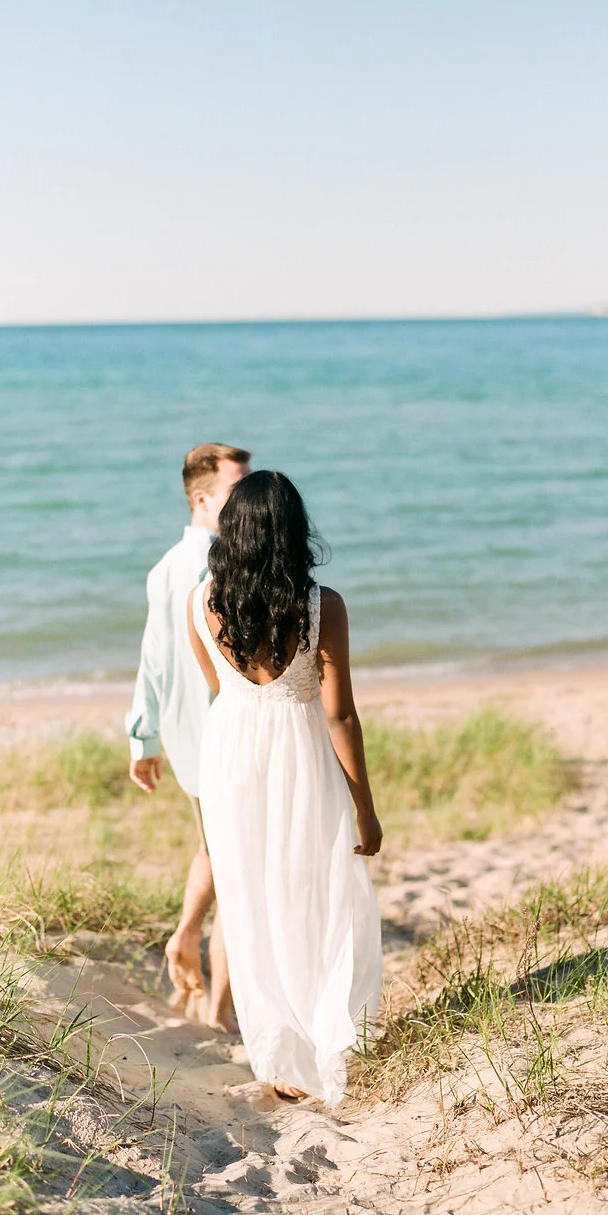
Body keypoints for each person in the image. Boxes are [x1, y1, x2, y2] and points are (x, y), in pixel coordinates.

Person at [186, 470, 383, 1105]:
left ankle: (276, 1057)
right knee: (318, 893)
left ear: (230, 532)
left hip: (231, 757)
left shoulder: (199, 603)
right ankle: (327, 1037)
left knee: (249, 902)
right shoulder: (321, 605)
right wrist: (366, 809)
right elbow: (340, 713)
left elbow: (220, 691)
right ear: (293, 531)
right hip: (299, 754)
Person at [126, 442, 251, 1031]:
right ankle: (216, 1004)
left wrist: (143, 738)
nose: (248, 498)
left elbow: (151, 658)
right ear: (203, 499)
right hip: (221, 734)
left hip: (186, 735)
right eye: (236, 489)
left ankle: (195, 957)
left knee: (219, 853)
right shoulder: (218, 564)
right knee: (234, 868)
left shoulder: (163, 566)